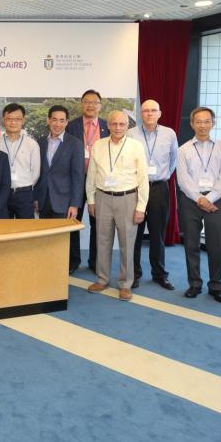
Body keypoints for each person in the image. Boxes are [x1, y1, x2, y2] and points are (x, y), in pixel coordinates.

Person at [85, 111, 148, 300]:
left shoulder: (136, 146)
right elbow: (92, 175)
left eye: (122, 124)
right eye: (114, 124)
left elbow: (143, 178)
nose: (118, 128)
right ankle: (102, 279)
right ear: (108, 125)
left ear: (127, 126)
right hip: (103, 197)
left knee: (127, 244)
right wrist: (91, 200)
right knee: (102, 240)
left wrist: (141, 207)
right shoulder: (98, 145)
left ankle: (125, 284)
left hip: (128, 199)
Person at [177, 107, 221, 303]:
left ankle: (216, 285)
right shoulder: (183, 149)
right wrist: (199, 199)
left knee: (216, 245)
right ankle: (194, 283)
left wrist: (211, 198)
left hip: (215, 200)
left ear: (213, 123)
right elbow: (183, 180)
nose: (202, 125)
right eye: (198, 121)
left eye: (206, 121)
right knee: (191, 243)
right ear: (192, 124)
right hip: (191, 200)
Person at [127, 99, 177, 291]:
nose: (149, 114)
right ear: (141, 113)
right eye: (145, 110)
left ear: (159, 113)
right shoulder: (131, 134)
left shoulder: (169, 134)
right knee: (135, 235)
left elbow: (173, 161)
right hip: (136, 188)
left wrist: (160, 176)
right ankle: (134, 274)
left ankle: (159, 274)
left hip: (159, 188)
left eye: (153, 110)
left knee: (158, 234)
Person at [36, 105, 84, 272]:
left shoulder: (75, 144)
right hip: (43, 198)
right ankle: (48, 264)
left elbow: (78, 176)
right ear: (48, 120)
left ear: (67, 122)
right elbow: (38, 172)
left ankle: (66, 265)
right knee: (46, 235)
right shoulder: (40, 142)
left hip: (64, 199)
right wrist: (36, 197)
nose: (57, 124)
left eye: (62, 120)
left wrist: (75, 204)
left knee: (63, 237)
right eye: (54, 119)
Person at [66, 89, 109, 271]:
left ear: (100, 105)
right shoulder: (71, 126)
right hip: (75, 180)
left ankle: (95, 262)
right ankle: (73, 261)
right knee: (73, 222)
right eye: (87, 102)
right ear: (81, 104)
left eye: (94, 102)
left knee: (98, 223)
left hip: (99, 182)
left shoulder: (108, 126)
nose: (90, 105)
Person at [0, 103, 41, 219]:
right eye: (9, 119)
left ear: (23, 120)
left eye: (17, 119)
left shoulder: (32, 144)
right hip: (1, 194)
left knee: (26, 231)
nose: (13, 123)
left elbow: (35, 173)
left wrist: (23, 186)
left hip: (24, 194)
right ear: (3, 120)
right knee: (3, 230)